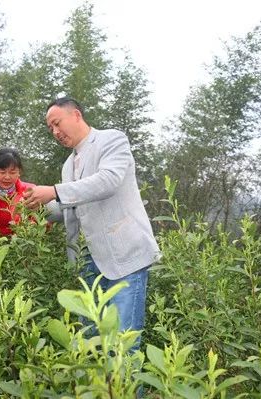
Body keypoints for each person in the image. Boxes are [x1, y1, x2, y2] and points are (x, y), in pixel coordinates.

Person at [23, 97, 161, 348]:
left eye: (57, 123)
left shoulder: (111, 139)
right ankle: (98, 389)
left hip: (124, 256)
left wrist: (53, 190)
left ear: (76, 115)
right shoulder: (68, 165)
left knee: (123, 342)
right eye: (50, 128)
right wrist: (32, 208)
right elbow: (70, 206)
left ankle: (124, 389)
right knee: (90, 340)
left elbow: (108, 181)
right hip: (88, 263)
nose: (55, 132)